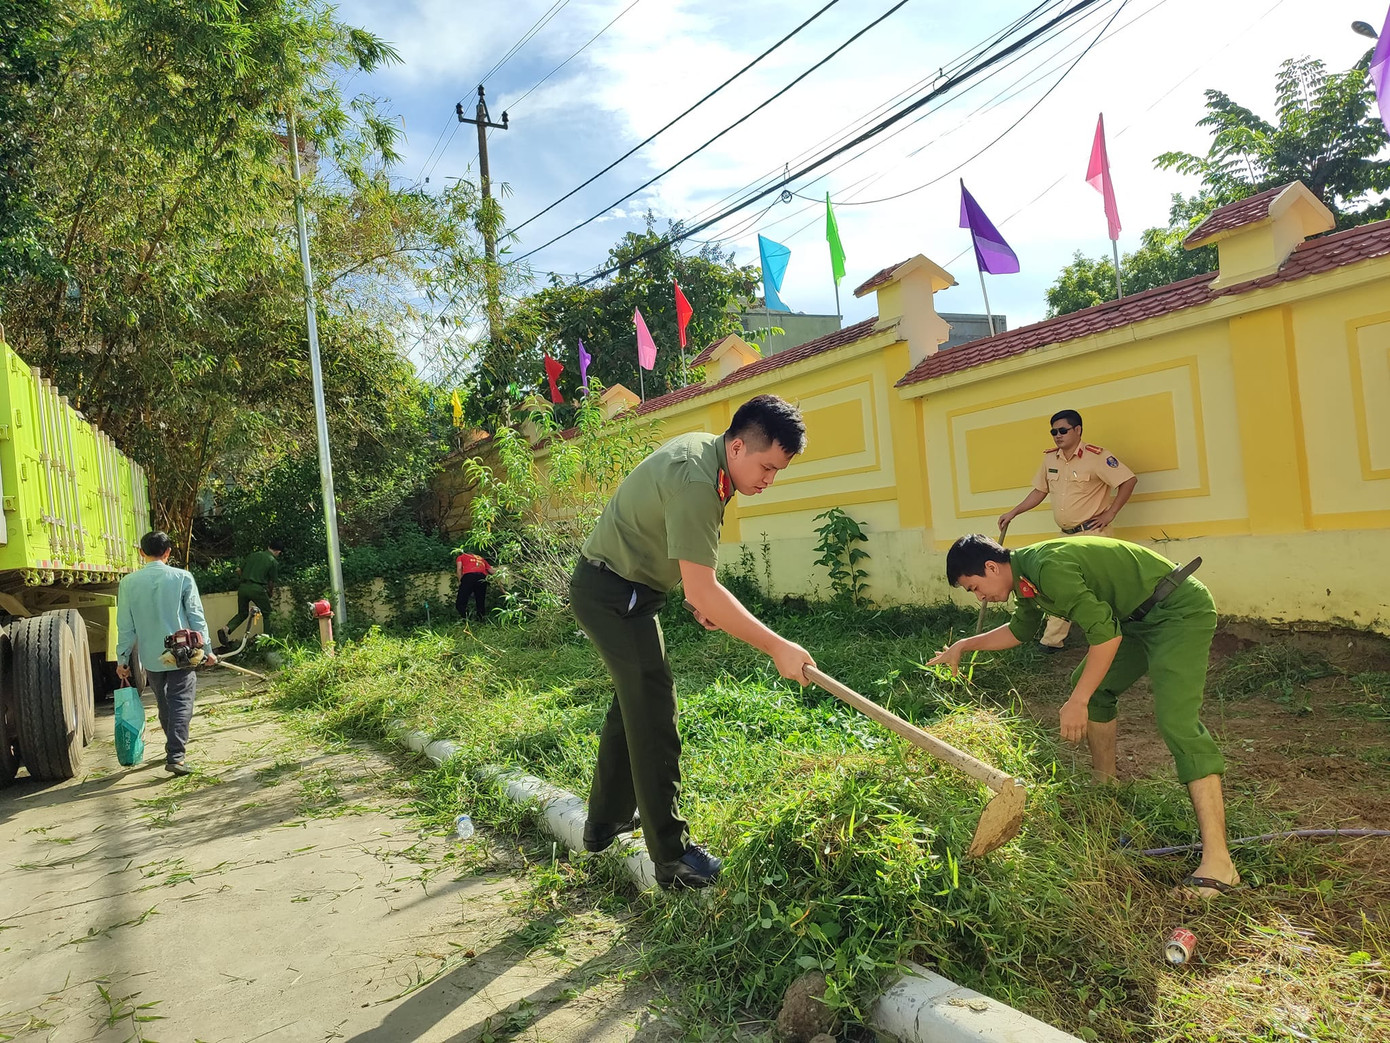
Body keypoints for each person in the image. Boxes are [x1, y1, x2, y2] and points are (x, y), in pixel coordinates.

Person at [571, 394, 816, 890]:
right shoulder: (698, 479)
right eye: (767, 468)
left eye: (778, 472)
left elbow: (687, 563)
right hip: (612, 592)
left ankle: (605, 821)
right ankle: (673, 857)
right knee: (654, 709)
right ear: (740, 444)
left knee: (635, 700)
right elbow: (704, 586)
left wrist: (698, 596)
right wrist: (777, 646)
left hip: (629, 588)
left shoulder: (711, 457)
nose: (768, 481)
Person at [928, 533, 1239, 899]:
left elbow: (1104, 638)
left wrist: (1077, 700)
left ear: (991, 567)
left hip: (1178, 611)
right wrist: (965, 644)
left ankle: (1220, 863)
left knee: (1176, 720)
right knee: (1094, 692)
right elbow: (1021, 630)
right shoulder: (1026, 579)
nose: (979, 597)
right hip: (1135, 620)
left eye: (974, 587)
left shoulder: (1048, 568)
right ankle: (1105, 792)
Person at [998, 409, 1137, 651]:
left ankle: (1124, 634)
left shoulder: (1097, 457)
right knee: (1060, 585)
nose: (1057, 435)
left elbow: (1128, 480)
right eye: (1054, 431)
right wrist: (1013, 512)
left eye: (1063, 430)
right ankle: (1052, 641)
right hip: (1065, 535)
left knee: (1103, 585)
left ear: (1078, 430)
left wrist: (1111, 512)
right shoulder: (1050, 459)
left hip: (1093, 534)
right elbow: (1039, 491)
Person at [117, 531, 217, 776]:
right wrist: (207, 650)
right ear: (168, 552)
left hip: (151, 656)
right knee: (181, 701)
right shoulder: (182, 577)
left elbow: (125, 625)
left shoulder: (128, 583)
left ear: (141, 552)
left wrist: (122, 658)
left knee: (163, 703)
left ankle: (173, 749)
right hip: (182, 653)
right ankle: (176, 755)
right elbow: (196, 616)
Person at [217, 539, 282, 647]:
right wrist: (270, 592)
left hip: (242, 588)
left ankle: (226, 629)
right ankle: (268, 640)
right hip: (257, 588)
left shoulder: (253, 555)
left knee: (242, 613)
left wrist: (244, 578)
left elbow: (238, 569)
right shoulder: (272, 561)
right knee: (267, 614)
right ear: (278, 552)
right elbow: (271, 581)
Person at [455, 550, 493, 622]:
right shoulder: (481, 558)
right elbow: (492, 571)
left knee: (461, 601)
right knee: (480, 601)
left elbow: (459, 568)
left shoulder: (461, 557)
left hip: (469, 577)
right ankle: (481, 620)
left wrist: (460, 581)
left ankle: (465, 619)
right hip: (482, 577)